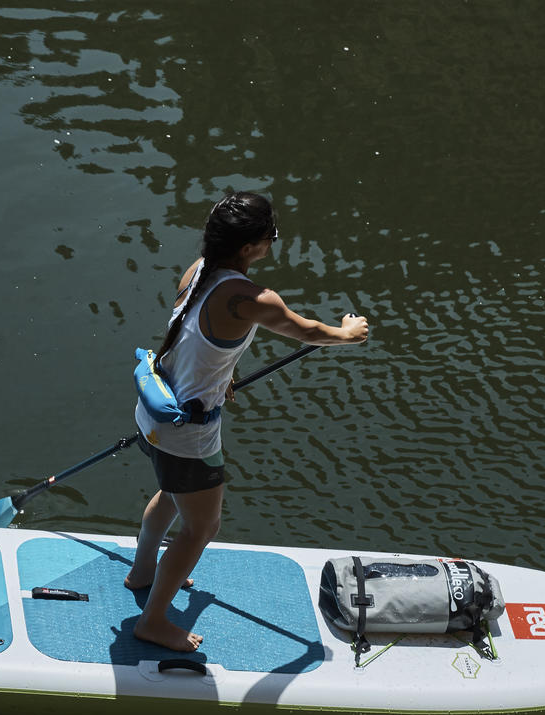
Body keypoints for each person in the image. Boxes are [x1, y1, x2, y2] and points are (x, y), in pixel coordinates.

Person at [124, 191, 370, 654]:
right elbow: (310, 332)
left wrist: (224, 373)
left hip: (153, 410)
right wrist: (348, 333)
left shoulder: (198, 270)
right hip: (189, 433)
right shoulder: (254, 298)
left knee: (172, 495)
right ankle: (153, 620)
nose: (272, 243)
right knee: (202, 527)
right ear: (247, 247)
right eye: (269, 237)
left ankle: (142, 572)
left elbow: (196, 338)